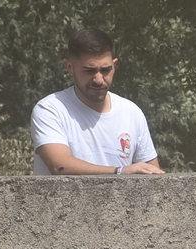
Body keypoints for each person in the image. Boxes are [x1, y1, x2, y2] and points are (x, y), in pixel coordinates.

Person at [31, 29, 163, 176]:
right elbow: (60, 166)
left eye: (106, 70)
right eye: (89, 71)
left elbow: (154, 175)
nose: (99, 80)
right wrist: (120, 172)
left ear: (114, 65)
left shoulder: (132, 113)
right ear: (70, 67)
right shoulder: (50, 109)